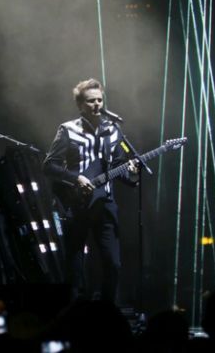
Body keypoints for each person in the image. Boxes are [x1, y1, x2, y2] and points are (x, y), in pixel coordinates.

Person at [43, 78, 138, 304]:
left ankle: (106, 310)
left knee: (113, 263)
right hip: (77, 204)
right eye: (91, 101)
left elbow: (118, 168)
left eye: (99, 100)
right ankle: (73, 311)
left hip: (105, 203)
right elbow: (49, 166)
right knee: (75, 262)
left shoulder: (113, 131)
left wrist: (132, 173)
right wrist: (76, 178)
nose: (97, 104)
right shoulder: (68, 130)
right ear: (80, 105)